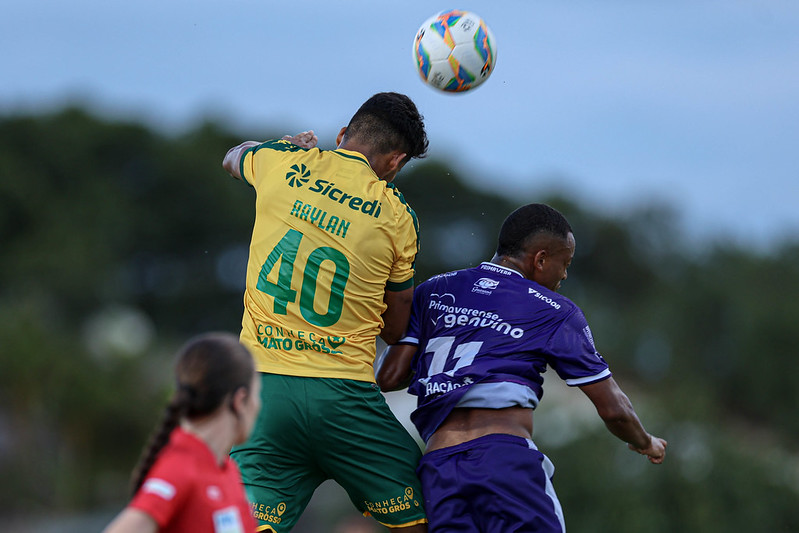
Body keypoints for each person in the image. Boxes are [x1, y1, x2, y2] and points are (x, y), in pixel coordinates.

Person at [377, 203, 667, 533]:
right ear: (541, 259)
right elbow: (614, 409)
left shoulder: (434, 289)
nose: (565, 275)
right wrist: (645, 442)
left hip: (438, 469)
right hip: (503, 460)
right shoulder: (555, 311)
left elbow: (389, 377)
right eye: (564, 263)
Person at [221, 92, 429, 532]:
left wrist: (283, 146)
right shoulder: (397, 216)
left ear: (342, 135)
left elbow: (233, 157)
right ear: (396, 162)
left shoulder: (284, 163)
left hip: (263, 394)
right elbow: (395, 329)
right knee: (434, 510)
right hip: (344, 401)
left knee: (238, 524)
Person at [104, 332, 262, 533]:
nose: (259, 405)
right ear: (239, 401)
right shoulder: (180, 468)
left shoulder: (227, 471)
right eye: (257, 394)